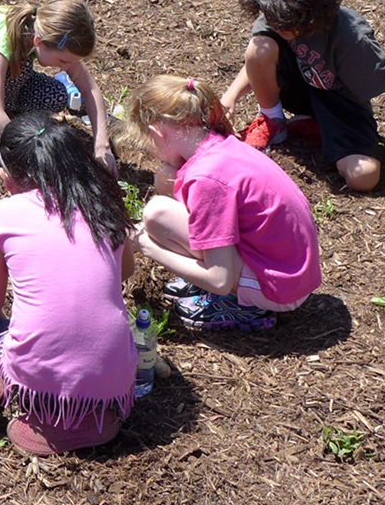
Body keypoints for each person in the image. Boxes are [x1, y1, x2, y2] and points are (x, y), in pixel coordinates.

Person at [0, 113, 135, 458]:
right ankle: (88, 419)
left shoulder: (5, 213)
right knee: (94, 348)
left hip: (37, 373)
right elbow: (124, 272)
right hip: (112, 372)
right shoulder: (106, 204)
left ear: (11, 174)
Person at [220, 0, 385, 192]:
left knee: (364, 177)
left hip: (339, 102)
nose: (271, 22)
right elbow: (257, 61)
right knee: (260, 46)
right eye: (269, 17)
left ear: (308, 15)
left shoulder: (350, 38)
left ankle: (322, 128)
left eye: (279, 21)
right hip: (296, 85)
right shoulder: (277, 13)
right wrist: (230, 96)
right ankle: (273, 120)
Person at [129, 75, 322, 331]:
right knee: (159, 214)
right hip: (290, 272)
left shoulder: (206, 178)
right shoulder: (220, 147)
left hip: (279, 289)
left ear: (156, 133)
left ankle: (244, 305)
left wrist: (143, 244)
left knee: (156, 214)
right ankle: (237, 288)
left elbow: (219, 279)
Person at [0, 0, 116, 172]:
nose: (65, 67)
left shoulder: (49, 36)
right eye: (63, 60)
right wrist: (28, 154)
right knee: (20, 65)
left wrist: (102, 145)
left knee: (56, 94)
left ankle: (11, 117)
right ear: (39, 42)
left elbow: (89, 88)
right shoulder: (5, 40)